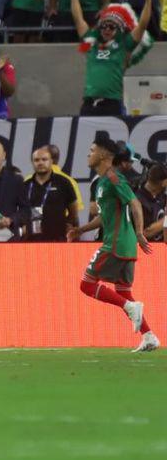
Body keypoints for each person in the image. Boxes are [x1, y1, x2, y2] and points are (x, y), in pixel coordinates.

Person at [68, 138, 158, 352]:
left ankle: (130, 308)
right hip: (125, 246)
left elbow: (134, 203)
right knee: (123, 292)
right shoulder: (102, 182)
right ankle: (149, 336)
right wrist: (81, 230)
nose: (88, 154)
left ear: (104, 155)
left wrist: (139, 232)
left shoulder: (113, 178)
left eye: (92, 150)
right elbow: (104, 216)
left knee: (87, 285)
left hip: (115, 244)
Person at [72, 0, 154, 116]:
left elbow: (142, 26)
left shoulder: (123, 45)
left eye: (111, 27)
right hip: (89, 104)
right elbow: (78, 19)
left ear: (119, 30)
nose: (107, 29)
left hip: (112, 104)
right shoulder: (91, 44)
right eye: (104, 26)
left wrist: (148, 2)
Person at [21, 147, 82, 242]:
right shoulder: (26, 185)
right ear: (32, 162)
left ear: (51, 161)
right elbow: (20, 212)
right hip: (31, 241)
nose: (40, 163)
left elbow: (73, 214)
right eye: (36, 160)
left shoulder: (64, 182)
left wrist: (65, 226)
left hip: (57, 240)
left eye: (44, 159)